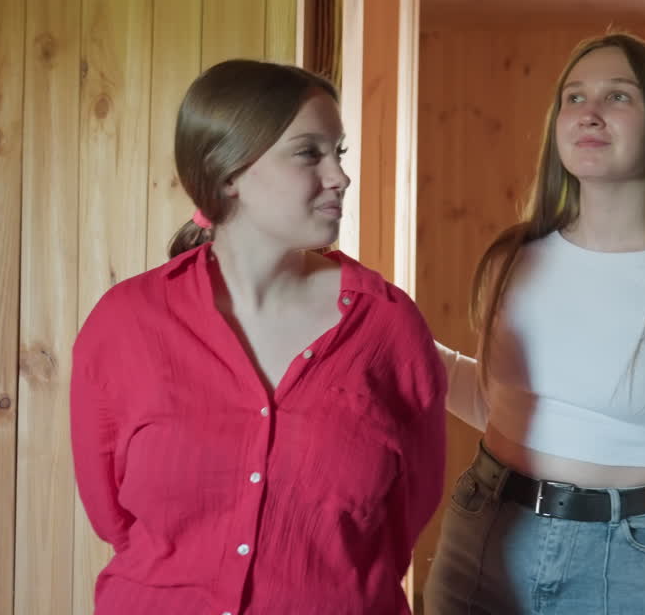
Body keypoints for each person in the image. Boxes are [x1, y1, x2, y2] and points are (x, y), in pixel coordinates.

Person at [71, 59, 447, 615]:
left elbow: (403, 520)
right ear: (228, 173)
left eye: (337, 152)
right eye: (308, 152)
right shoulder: (126, 323)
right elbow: (112, 517)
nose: (340, 176)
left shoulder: (388, 328)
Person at [424, 32, 645, 614]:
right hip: (484, 534)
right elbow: (505, 406)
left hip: (622, 564)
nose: (589, 112)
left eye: (618, 97)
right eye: (574, 97)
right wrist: (388, 337)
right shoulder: (517, 259)